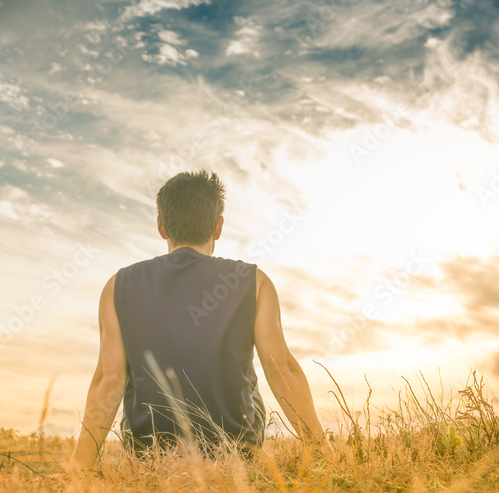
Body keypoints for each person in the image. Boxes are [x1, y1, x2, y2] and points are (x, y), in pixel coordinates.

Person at [69, 171, 325, 470]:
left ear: (161, 226)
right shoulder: (254, 282)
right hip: (237, 450)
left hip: (149, 453)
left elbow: (108, 380)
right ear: (218, 227)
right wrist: (320, 451)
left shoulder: (118, 285)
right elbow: (281, 368)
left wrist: (81, 464)